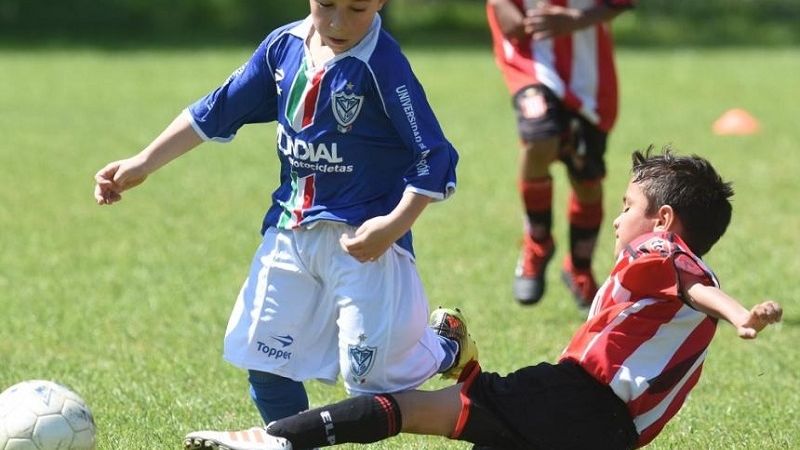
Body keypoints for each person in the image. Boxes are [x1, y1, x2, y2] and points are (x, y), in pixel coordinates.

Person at [196, 147, 783, 450]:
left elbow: (696, 284)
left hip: (574, 397)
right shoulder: (664, 273)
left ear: (664, 217)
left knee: (411, 409)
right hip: (612, 435)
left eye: (627, 207)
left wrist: (740, 315)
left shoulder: (660, 250)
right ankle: (457, 353)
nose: (617, 218)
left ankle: (276, 436)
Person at [94, 0, 478, 438]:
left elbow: (434, 155)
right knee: (265, 359)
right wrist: (142, 163)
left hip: (366, 242)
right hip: (289, 229)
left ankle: (446, 344)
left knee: (371, 384)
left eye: (355, 8)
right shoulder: (283, 47)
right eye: (326, 4)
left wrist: (394, 225)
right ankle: (289, 443)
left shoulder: (383, 64)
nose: (337, 21)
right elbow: (217, 108)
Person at [486, 0, 634, 306]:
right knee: (540, 137)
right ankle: (537, 243)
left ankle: (578, 267)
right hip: (530, 62)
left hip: (587, 73)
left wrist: (577, 19)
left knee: (586, 175)